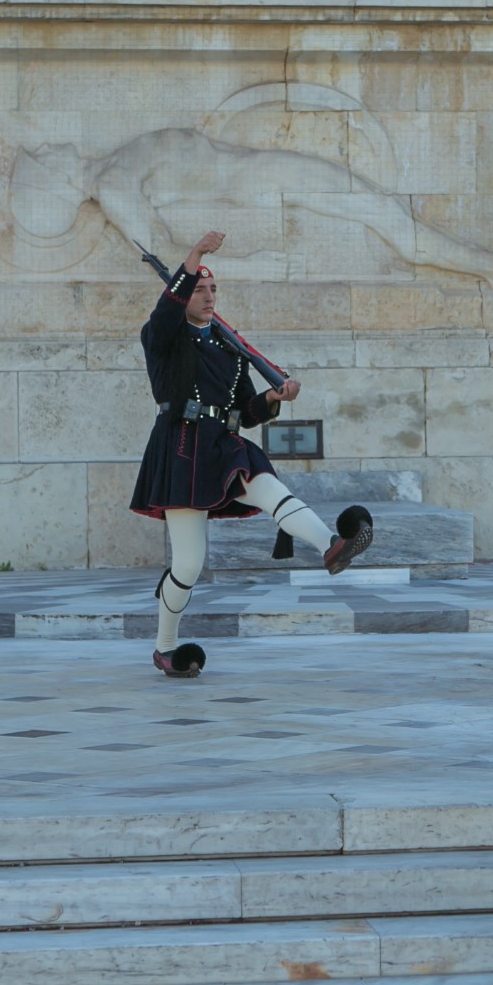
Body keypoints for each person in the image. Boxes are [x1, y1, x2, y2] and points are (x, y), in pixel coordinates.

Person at [130, 230, 373, 678]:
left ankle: (331, 547)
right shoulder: (161, 336)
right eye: (199, 289)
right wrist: (196, 254)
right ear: (183, 295)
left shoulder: (230, 348)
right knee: (188, 564)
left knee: (268, 485)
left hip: (225, 444)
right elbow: (165, 309)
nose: (208, 296)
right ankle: (165, 648)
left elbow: (246, 409)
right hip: (183, 447)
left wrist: (276, 397)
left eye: (213, 289)